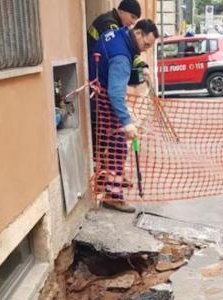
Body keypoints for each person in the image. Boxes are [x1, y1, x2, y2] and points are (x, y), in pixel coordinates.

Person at [89, 19, 159, 213]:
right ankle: (113, 195)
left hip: (95, 95)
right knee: (118, 147)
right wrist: (127, 123)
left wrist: (141, 66)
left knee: (102, 145)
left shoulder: (118, 34)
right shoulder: (121, 57)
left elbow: (131, 55)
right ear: (137, 33)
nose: (145, 49)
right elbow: (116, 94)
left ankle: (105, 179)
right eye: (146, 44)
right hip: (102, 102)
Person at [87, 0, 149, 84]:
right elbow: (120, 53)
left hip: (98, 69)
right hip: (95, 71)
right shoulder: (109, 24)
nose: (133, 23)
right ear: (122, 11)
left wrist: (141, 65)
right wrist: (137, 75)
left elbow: (128, 51)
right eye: (132, 17)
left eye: (135, 19)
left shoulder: (118, 26)